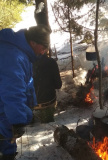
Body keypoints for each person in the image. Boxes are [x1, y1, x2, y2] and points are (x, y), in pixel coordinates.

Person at [0, 24, 51, 160]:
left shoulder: (24, 53)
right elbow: (12, 91)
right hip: (4, 103)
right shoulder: (14, 56)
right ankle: (8, 155)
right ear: (33, 42)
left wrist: (31, 104)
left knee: (17, 117)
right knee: (8, 122)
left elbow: (27, 83)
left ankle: (8, 152)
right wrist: (18, 121)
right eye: (43, 47)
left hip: (6, 102)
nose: (44, 51)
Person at [33, 53, 62, 123]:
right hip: (48, 102)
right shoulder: (51, 62)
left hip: (30, 103)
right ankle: (48, 117)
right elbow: (58, 85)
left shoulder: (25, 62)